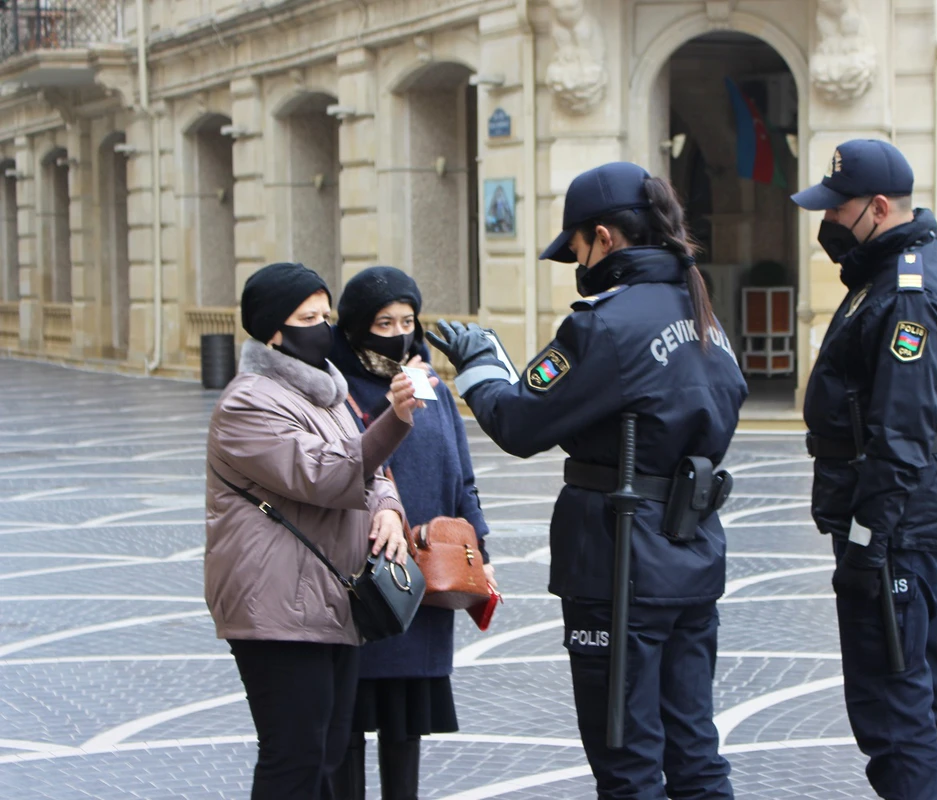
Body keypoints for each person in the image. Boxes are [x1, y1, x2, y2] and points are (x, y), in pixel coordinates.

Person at [427, 161, 748, 800]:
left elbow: (520, 422)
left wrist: (482, 365)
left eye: (575, 248)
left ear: (603, 238)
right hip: (690, 550)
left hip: (620, 562)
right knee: (694, 749)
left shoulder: (604, 323)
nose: (577, 262)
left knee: (625, 757)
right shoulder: (702, 310)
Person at [791, 139, 937, 800]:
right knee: (916, 674)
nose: (828, 224)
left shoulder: (908, 292)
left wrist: (869, 541)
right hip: (909, 516)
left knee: (892, 697)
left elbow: (900, 433)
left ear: (876, 208)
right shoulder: (892, 268)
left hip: (897, 523)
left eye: (837, 210)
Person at [205, 261, 425, 800]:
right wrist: (394, 419)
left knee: (324, 754)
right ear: (274, 330)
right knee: (294, 758)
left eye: (327, 314)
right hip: (275, 604)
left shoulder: (327, 392)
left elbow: (371, 473)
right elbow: (325, 474)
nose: (325, 327)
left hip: (332, 596)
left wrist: (390, 510)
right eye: (309, 317)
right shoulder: (247, 401)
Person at [327, 265, 496, 800]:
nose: (399, 333)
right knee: (346, 726)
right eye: (383, 322)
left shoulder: (435, 391)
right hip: (361, 576)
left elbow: (462, 479)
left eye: (407, 319)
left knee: (405, 727)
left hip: (425, 579)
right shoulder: (334, 390)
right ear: (355, 327)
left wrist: (480, 551)